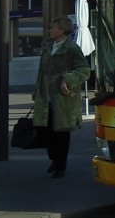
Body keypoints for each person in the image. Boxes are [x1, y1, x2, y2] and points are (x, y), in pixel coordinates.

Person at [33, 16, 91, 179]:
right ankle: (54, 157)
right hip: (45, 95)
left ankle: (60, 165)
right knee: (43, 130)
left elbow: (84, 70)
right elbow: (41, 72)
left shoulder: (72, 48)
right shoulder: (47, 46)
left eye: (53, 28)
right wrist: (37, 90)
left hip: (63, 98)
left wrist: (68, 79)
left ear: (62, 30)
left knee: (61, 133)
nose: (50, 30)